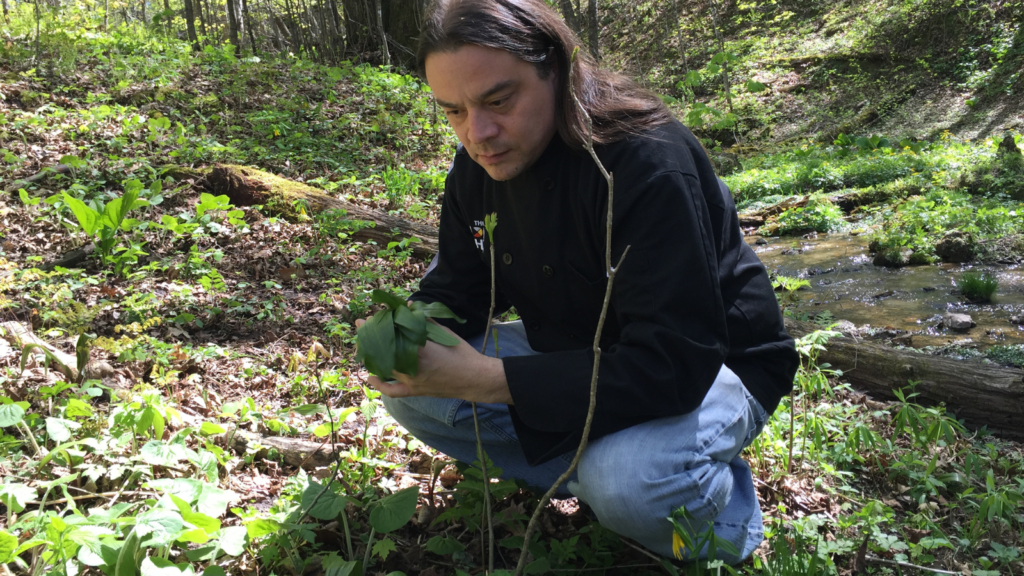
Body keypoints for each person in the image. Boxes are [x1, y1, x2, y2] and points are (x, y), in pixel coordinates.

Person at [356, 0, 799, 563]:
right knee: (417, 392)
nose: (478, 132)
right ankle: (595, 475)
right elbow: (457, 287)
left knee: (628, 482)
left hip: (715, 364)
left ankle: (722, 521)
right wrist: (402, 332)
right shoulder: (477, 167)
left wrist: (493, 381)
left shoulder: (645, 163)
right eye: (452, 110)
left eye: (498, 100)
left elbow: (675, 361)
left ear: (557, 68)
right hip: (578, 349)